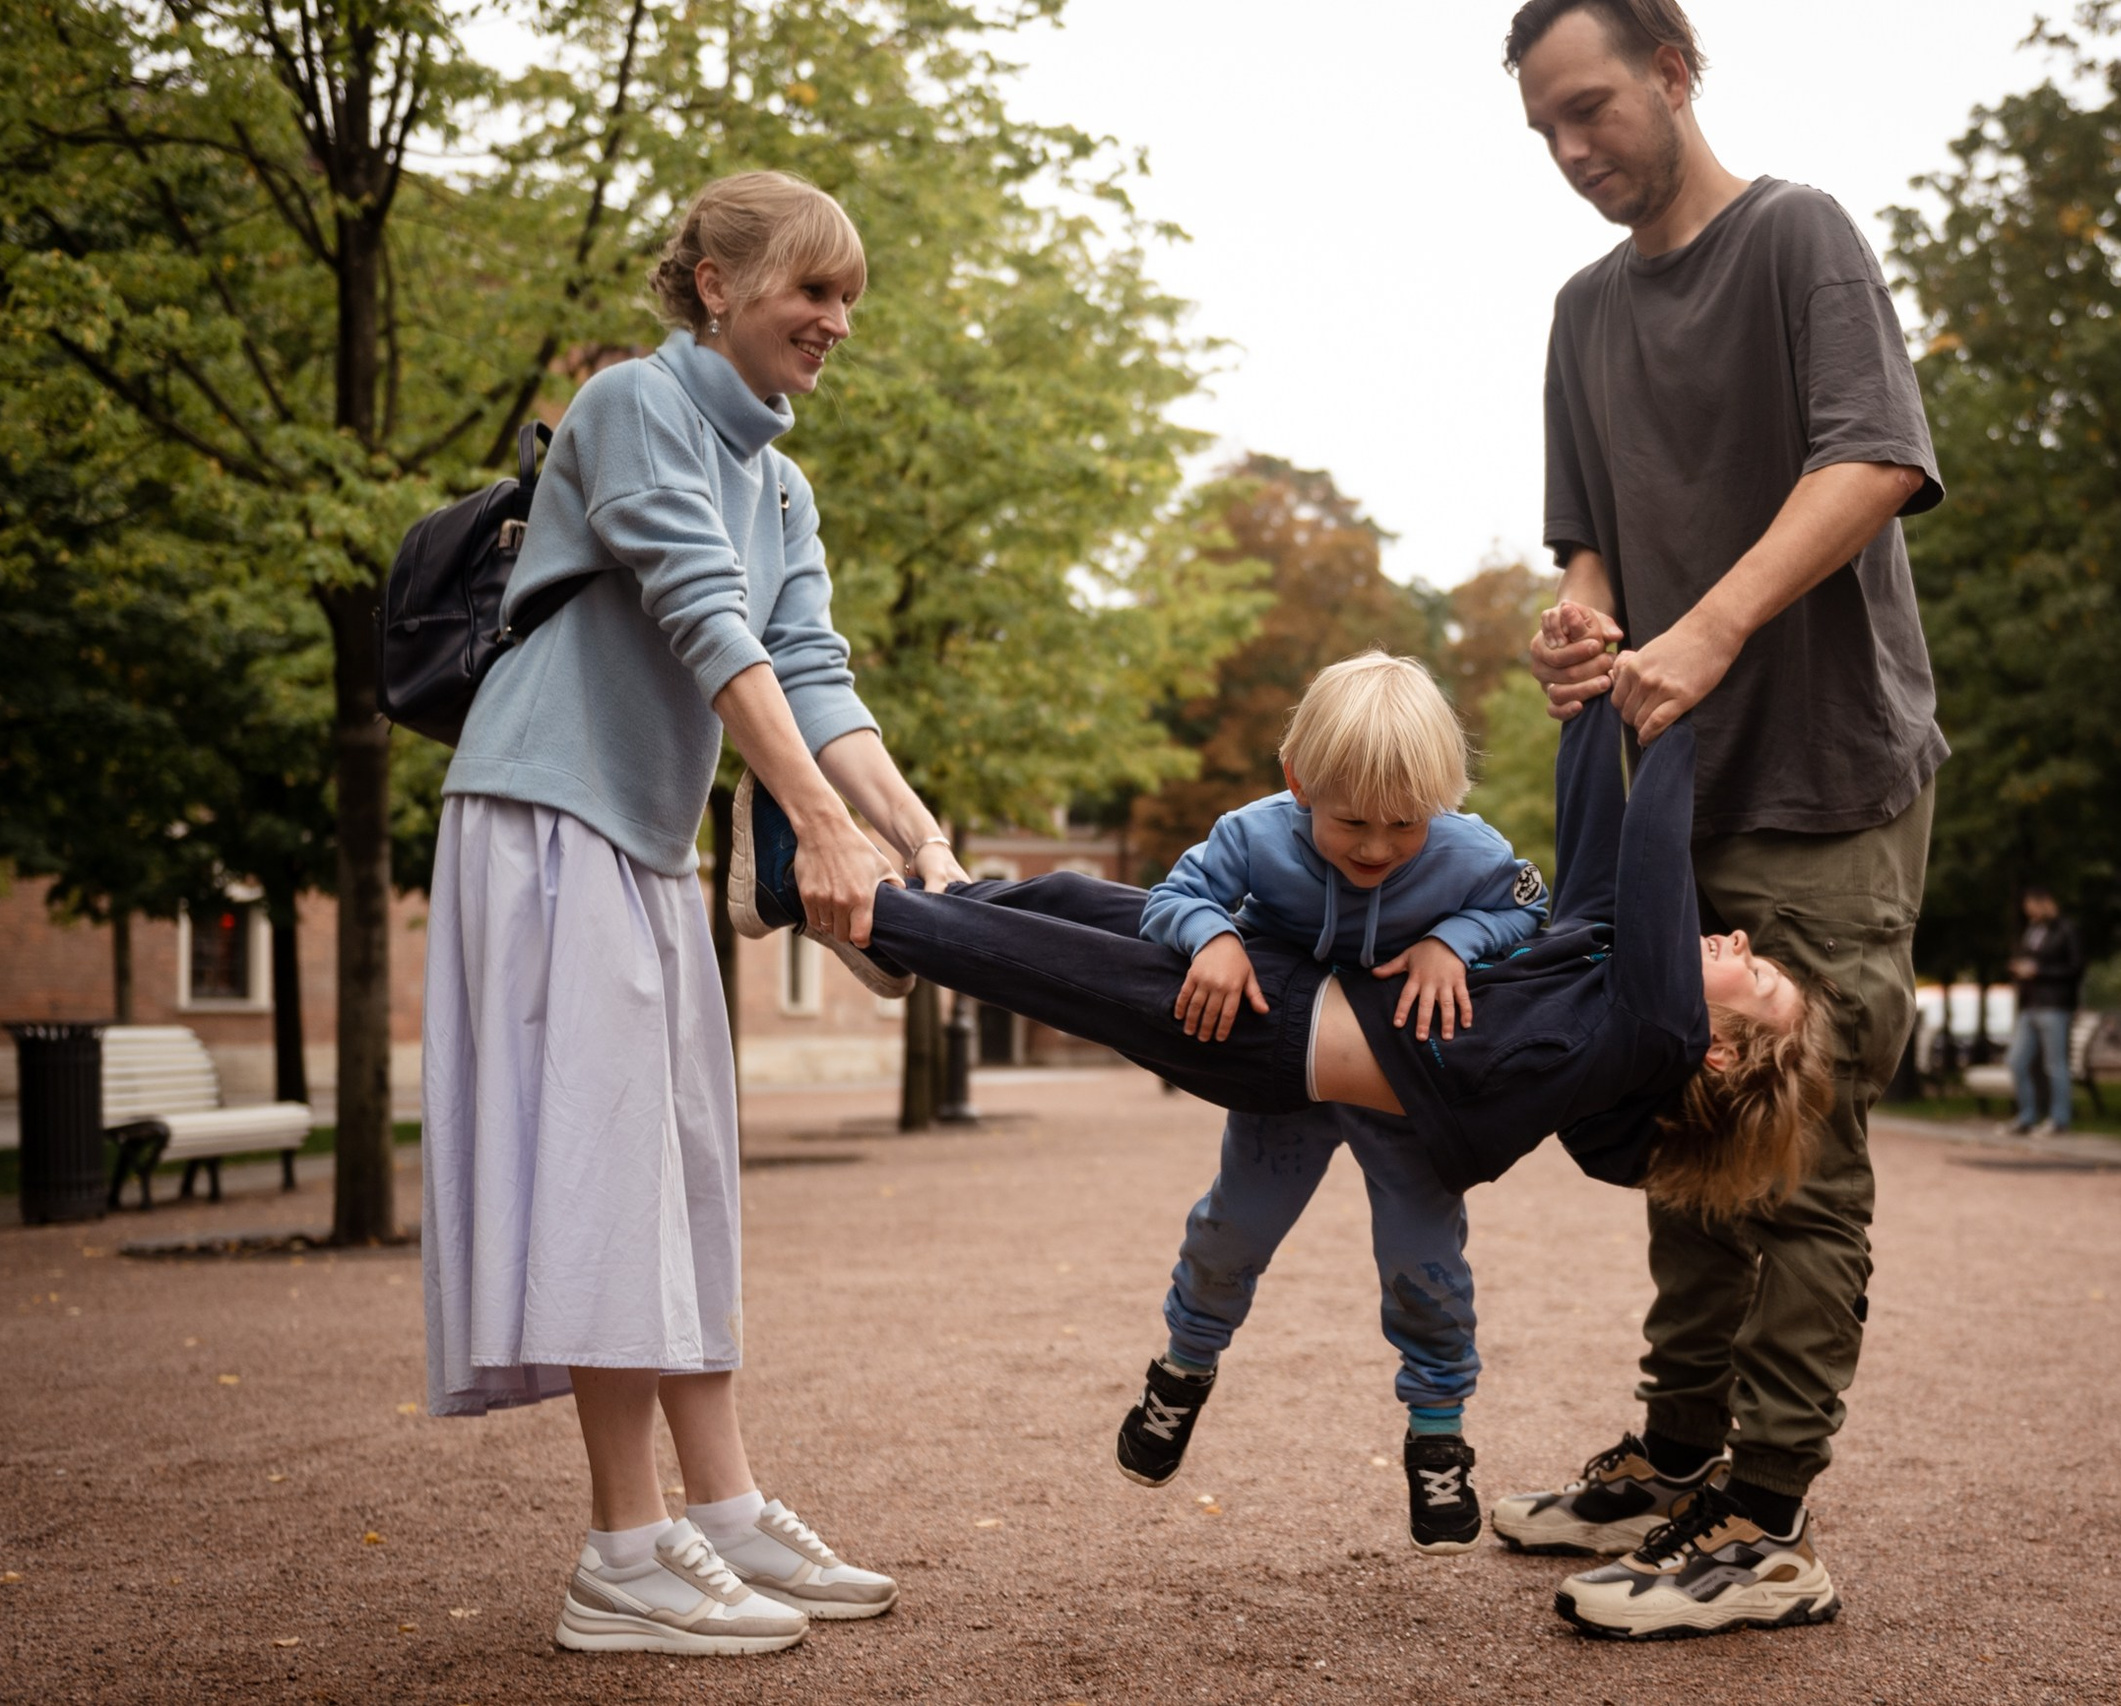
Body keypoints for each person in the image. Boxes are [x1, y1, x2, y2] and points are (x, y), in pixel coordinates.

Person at [736, 702, 1838, 1558]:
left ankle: (833, 898)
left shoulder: (1646, 1025)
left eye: (1761, 972)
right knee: (1077, 903)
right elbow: (1598, 847)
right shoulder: (1604, 967)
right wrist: (1593, 701)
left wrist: (1674, 702)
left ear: (1718, 1051)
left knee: (1068, 973)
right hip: (1284, 982)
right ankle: (928, 906)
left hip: (1267, 1038)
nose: (1738, 937)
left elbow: (1652, 853)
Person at [420, 170, 972, 1657]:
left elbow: (810, 670)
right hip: (551, 815)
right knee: (612, 1178)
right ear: (718, 283)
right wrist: (815, 822)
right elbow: (704, 619)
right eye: (813, 288)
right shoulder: (628, 407)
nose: (837, 320)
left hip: (647, 845)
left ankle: (718, 1511)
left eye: (850, 295)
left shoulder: (778, 478)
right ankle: (622, 1549)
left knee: (683, 1182)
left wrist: (916, 838)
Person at [1504, 0, 1945, 1641]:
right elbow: (1587, 548)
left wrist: (1714, 625)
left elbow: (1879, 459)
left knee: (1802, 1158)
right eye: (1544, 129)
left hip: (1828, 774)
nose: (1572, 150)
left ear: (1676, 73)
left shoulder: (1797, 239)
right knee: (1685, 1129)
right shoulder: (1579, 313)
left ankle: (1767, 1524)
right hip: (1669, 797)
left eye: (1594, 108)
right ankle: (1680, 1457)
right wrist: (1584, 619)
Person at [1109, 651, 1549, 1555]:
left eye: (1405, 824)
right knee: (1232, 1230)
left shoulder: (1468, 851)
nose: (1379, 847)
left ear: (1441, 802)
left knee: (1424, 1260)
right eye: (1349, 820)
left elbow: (1529, 913)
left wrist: (1457, 941)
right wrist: (1213, 936)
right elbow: (1171, 896)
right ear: (1298, 782)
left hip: (1403, 1093)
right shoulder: (1253, 834)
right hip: (1287, 1084)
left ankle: (1438, 1433)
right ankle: (1183, 1370)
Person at [2006, 887, 2085, 1133]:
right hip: (2030, 1005)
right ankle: (2027, 1117)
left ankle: (2059, 1119)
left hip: (2055, 1005)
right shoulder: (2032, 930)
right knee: (2016, 1062)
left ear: (2046, 903)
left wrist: (2039, 972)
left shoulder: (2066, 930)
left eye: (2033, 906)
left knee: (2055, 1064)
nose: (2030, 912)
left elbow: (2076, 968)